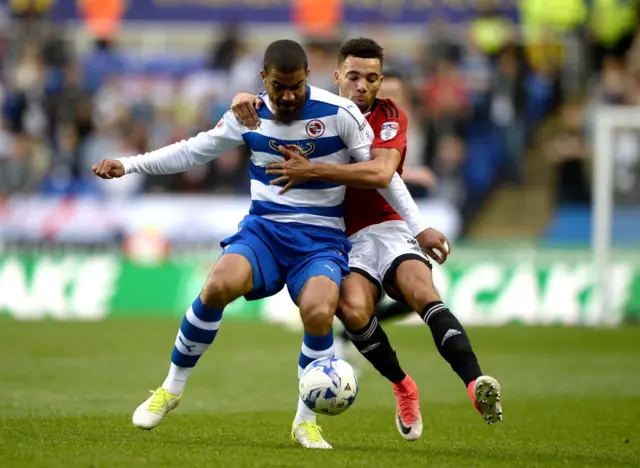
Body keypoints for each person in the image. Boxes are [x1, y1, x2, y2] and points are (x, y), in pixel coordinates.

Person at [92, 39, 434, 449]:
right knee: (217, 285)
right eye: (278, 87)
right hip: (265, 231)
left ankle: (305, 422)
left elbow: (384, 174)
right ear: (263, 80)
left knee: (320, 309)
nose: (288, 96)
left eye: (295, 86)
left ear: (308, 76)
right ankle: (170, 388)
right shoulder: (247, 115)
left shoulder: (341, 114)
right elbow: (191, 152)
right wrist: (129, 164)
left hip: (321, 239)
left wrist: (419, 227)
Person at [231, 38, 503, 445]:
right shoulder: (314, 108)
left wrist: (316, 171)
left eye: (372, 78)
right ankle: (403, 386)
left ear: (380, 82)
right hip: (342, 236)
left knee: (420, 288)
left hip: (389, 227)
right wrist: (241, 98)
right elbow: (268, 100)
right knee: (354, 309)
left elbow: (379, 174)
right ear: (337, 76)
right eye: (354, 76)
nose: (362, 86)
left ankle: (475, 382)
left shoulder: (390, 116)